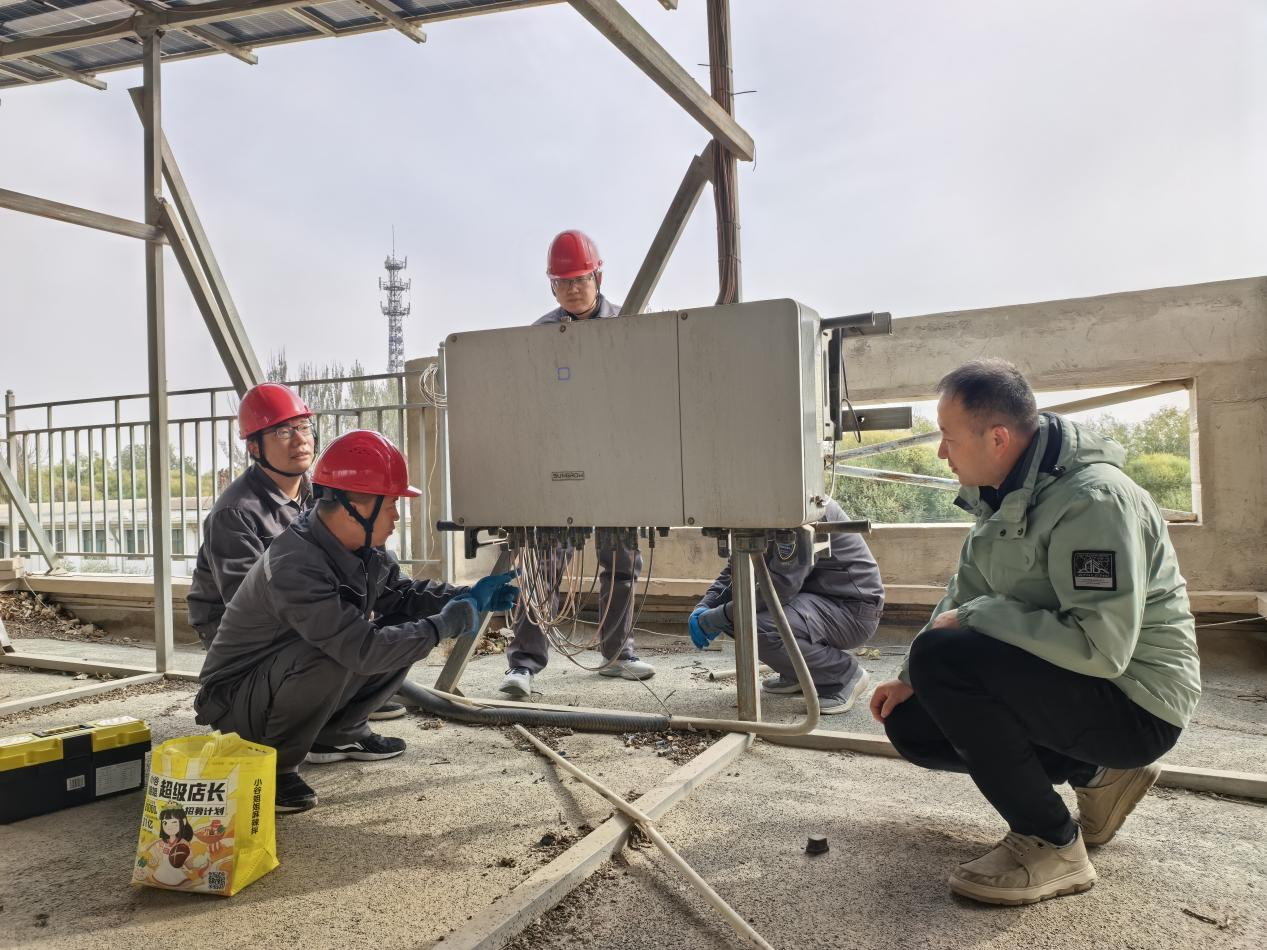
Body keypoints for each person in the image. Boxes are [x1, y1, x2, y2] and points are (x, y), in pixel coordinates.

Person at [869, 359, 1200, 906]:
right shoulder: (1002, 494)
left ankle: (1052, 844)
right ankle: (1098, 773)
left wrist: (974, 620)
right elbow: (964, 591)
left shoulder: (1093, 502)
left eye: (948, 437)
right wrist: (908, 676)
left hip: (1136, 703)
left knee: (944, 658)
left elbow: (1101, 649)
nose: (942, 453)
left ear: (997, 438)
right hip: (1076, 684)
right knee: (913, 721)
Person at [194, 430, 517, 813]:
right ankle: (270, 766)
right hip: (236, 700)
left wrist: (464, 596)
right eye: (390, 504)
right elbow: (360, 649)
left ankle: (337, 733)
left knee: (400, 621)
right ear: (353, 506)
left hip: (274, 679)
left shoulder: (360, 546)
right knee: (336, 650)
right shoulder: (295, 564)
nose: (397, 516)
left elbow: (402, 594)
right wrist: (441, 626)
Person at [186, 382, 403, 720]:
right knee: (329, 636)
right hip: (241, 626)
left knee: (400, 618)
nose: (300, 440)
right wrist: (339, 618)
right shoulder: (235, 513)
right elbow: (249, 604)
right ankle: (305, 713)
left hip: (305, 604)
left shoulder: (321, 493)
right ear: (255, 447)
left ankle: (347, 712)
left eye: (303, 427)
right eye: (283, 432)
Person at [499, 230, 652, 698]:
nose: (571, 289)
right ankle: (523, 664)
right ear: (552, 285)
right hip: (560, 465)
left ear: (598, 278)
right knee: (543, 564)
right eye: (562, 282)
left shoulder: (628, 325)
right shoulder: (540, 335)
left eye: (580, 279)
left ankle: (617, 653)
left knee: (621, 561)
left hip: (615, 462)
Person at [687, 499, 884, 713]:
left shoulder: (799, 508)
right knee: (737, 617)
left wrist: (721, 614)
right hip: (814, 599)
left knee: (752, 623)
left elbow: (780, 588)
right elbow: (737, 567)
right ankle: (800, 673)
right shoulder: (760, 507)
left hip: (851, 609)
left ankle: (843, 675)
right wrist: (706, 606)